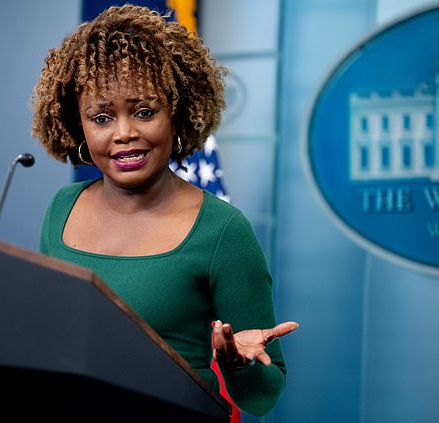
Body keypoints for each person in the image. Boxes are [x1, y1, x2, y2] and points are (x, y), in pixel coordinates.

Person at [31, 3, 298, 418]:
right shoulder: (61, 210)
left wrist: (238, 366)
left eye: (144, 111)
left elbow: (264, 394)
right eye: (101, 117)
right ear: (77, 125)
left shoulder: (222, 230)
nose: (124, 133)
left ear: (176, 111)